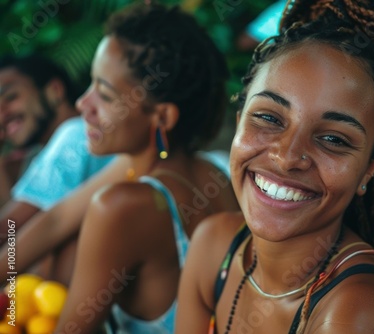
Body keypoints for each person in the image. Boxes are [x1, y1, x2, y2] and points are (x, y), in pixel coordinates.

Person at [176, 0, 374, 333]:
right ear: (238, 121)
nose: (287, 157)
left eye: (334, 139)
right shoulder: (212, 245)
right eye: (268, 118)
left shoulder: (359, 313)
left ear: (369, 169)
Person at [54, 3, 239, 333]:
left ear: (163, 117)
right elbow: (54, 220)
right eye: (91, 84)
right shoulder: (215, 176)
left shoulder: (121, 206)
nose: (83, 104)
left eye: (106, 96)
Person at [0, 55, 80, 205]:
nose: (1, 116)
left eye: (10, 97)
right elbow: (13, 224)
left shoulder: (79, 135)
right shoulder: (35, 159)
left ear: (55, 91)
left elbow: (14, 224)